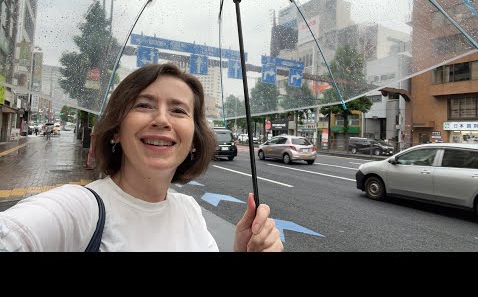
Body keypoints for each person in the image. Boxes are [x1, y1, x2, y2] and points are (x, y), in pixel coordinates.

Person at [0, 63, 283, 252]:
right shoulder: (79, 209)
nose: (162, 119)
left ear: (194, 140)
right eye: (144, 105)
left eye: (179, 110)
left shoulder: (189, 210)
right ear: (116, 131)